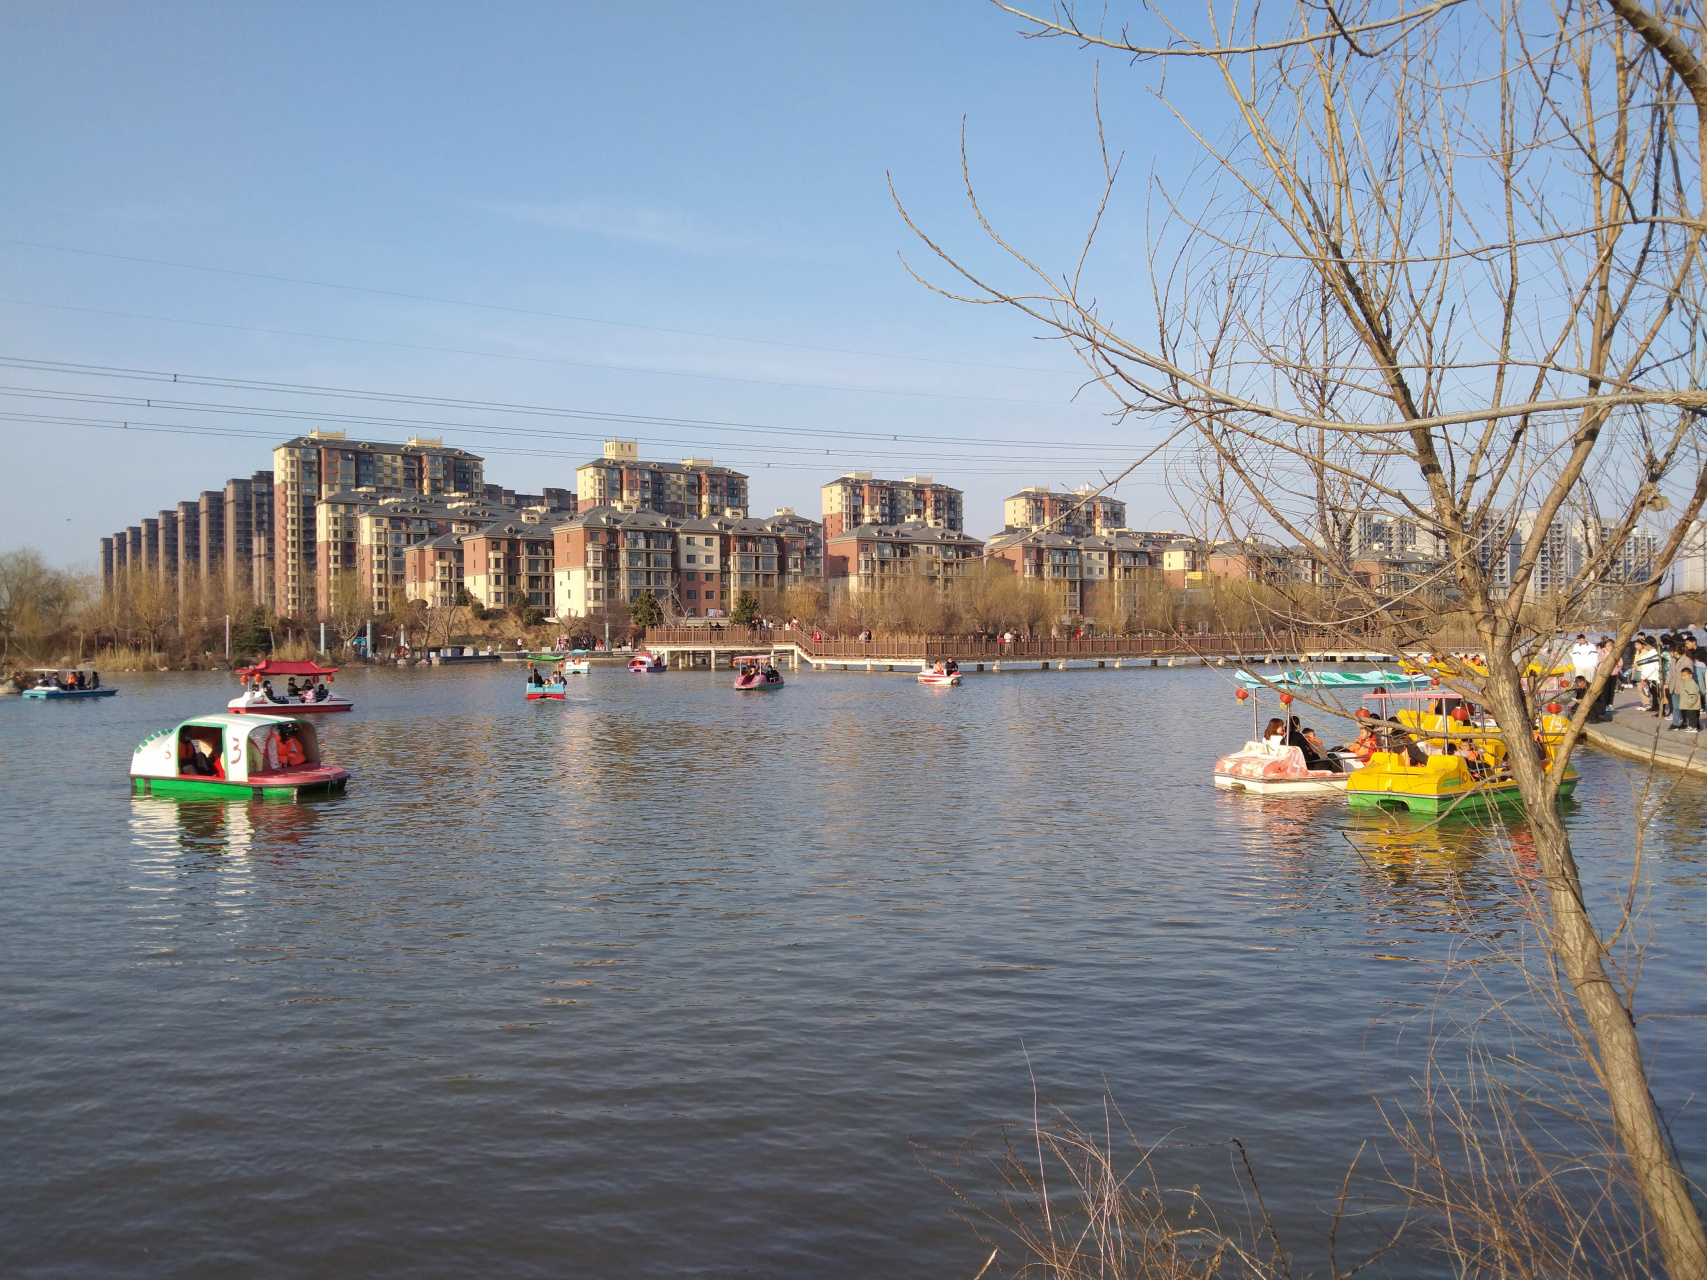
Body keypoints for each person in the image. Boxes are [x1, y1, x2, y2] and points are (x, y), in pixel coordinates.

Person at [1676, 663, 1702, 734]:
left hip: (1692, 704)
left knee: (1692, 715)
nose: (1683, 677)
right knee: (1689, 715)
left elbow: (1693, 694)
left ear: (1690, 675)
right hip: (1687, 704)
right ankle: (1691, 726)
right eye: (1682, 675)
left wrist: (1691, 702)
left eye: (1685, 675)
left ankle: (1694, 727)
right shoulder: (1685, 683)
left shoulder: (1692, 684)